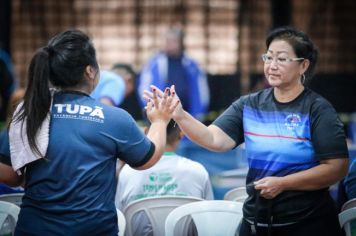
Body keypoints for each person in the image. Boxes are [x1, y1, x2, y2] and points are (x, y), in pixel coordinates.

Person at [145, 26, 349, 236]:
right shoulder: (250, 105)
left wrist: (283, 184)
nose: (272, 66)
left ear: (303, 65)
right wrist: (179, 114)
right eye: (268, 58)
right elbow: (214, 139)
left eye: (282, 59)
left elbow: (337, 167)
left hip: (309, 223)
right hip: (257, 221)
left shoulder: (317, 109)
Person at [0, 29, 178, 235]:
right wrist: (160, 121)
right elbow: (148, 158)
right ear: (90, 71)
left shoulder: (30, 113)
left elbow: (8, 175)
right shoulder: (114, 118)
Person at [115, 119, 213, 235]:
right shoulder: (198, 171)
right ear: (181, 133)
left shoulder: (128, 171)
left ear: (146, 132)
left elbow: (119, 219)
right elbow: (208, 221)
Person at [138, 27, 210, 121]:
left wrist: (198, 114)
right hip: (160, 115)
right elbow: (144, 88)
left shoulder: (192, 65)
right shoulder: (154, 64)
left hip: (188, 115)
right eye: (167, 41)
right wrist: (150, 110)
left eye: (173, 41)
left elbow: (202, 92)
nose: (170, 44)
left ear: (181, 43)